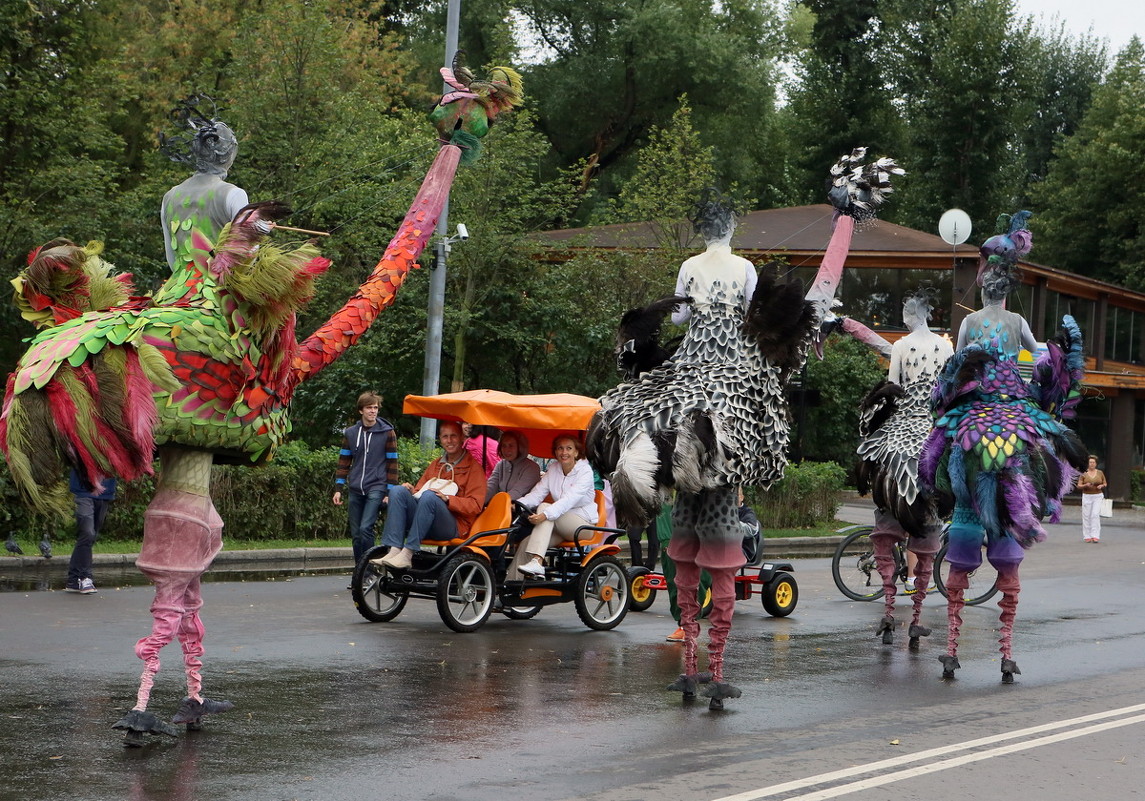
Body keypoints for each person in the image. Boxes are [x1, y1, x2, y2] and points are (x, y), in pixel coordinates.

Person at [374, 421, 485, 570]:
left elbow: (476, 505)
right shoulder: (436, 464)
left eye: (454, 436)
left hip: (454, 525)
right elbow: (419, 492)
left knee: (430, 496)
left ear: (462, 438)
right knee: (397, 491)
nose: (449, 440)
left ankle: (408, 554)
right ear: (440, 439)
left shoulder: (474, 468)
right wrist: (411, 490)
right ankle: (394, 550)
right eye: (445, 437)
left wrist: (448, 499)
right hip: (426, 518)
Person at [509, 435, 597, 579]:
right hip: (558, 524)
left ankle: (537, 562)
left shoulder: (585, 471)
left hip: (583, 525)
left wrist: (545, 514)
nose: (564, 452)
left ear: (576, 452)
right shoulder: (554, 469)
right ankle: (512, 586)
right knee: (527, 543)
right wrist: (517, 504)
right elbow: (537, 494)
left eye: (569, 448)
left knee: (545, 507)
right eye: (560, 448)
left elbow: (569, 500)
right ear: (555, 452)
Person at [332, 392, 398, 566]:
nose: (373, 411)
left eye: (375, 408)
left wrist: (389, 492)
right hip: (355, 487)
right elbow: (344, 461)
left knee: (365, 529)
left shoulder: (388, 432)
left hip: (377, 486)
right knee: (356, 534)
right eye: (369, 407)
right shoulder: (351, 433)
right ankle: (359, 572)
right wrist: (338, 488)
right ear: (361, 410)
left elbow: (393, 463)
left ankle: (368, 570)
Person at [65, 469, 117, 594]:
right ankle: (85, 577)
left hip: (105, 492)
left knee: (88, 537)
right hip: (82, 491)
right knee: (88, 533)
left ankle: (73, 580)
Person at [485, 430, 541, 503]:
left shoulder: (531, 468)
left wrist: (496, 504)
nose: (506, 450)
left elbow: (517, 492)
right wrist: (479, 501)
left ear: (520, 447)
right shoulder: (500, 465)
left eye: (511, 446)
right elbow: (491, 486)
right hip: (500, 507)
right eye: (504, 446)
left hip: (521, 510)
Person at [1078, 455, 1107, 542]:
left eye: (1093, 462)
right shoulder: (1084, 473)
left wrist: (1101, 485)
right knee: (1086, 515)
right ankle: (1087, 535)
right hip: (1087, 495)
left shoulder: (1100, 473)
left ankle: (1095, 535)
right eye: (1090, 462)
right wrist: (1085, 485)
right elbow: (1079, 485)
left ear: (1096, 464)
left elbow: (1105, 483)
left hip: (1097, 496)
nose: (1092, 464)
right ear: (1088, 464)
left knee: (1095, 514)